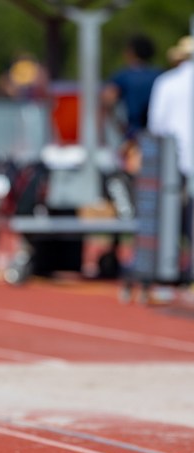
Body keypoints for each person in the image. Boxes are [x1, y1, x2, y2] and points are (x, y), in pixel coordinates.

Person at [147, 35, 194, 291]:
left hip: (175, 160)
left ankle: (172, 265)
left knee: (172, 214)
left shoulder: (167, 83)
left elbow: (157, 124)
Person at [101, 34, 162, 175]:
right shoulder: (159, 75)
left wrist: (117, 123)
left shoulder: (124, 76)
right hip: (157, 134)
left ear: (132, 52)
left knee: (131, 174)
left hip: (133, 134)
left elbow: (108, 99)